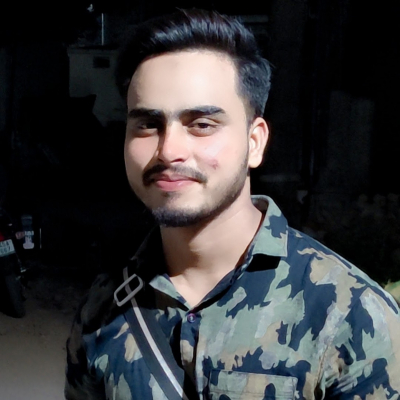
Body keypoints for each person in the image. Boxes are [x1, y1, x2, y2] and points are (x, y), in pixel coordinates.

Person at [65, 9, 400, 400]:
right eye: (148, 124)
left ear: (254, 142)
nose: (169, 150)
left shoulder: (349, 315)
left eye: (202, 124)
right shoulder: (104, 309)